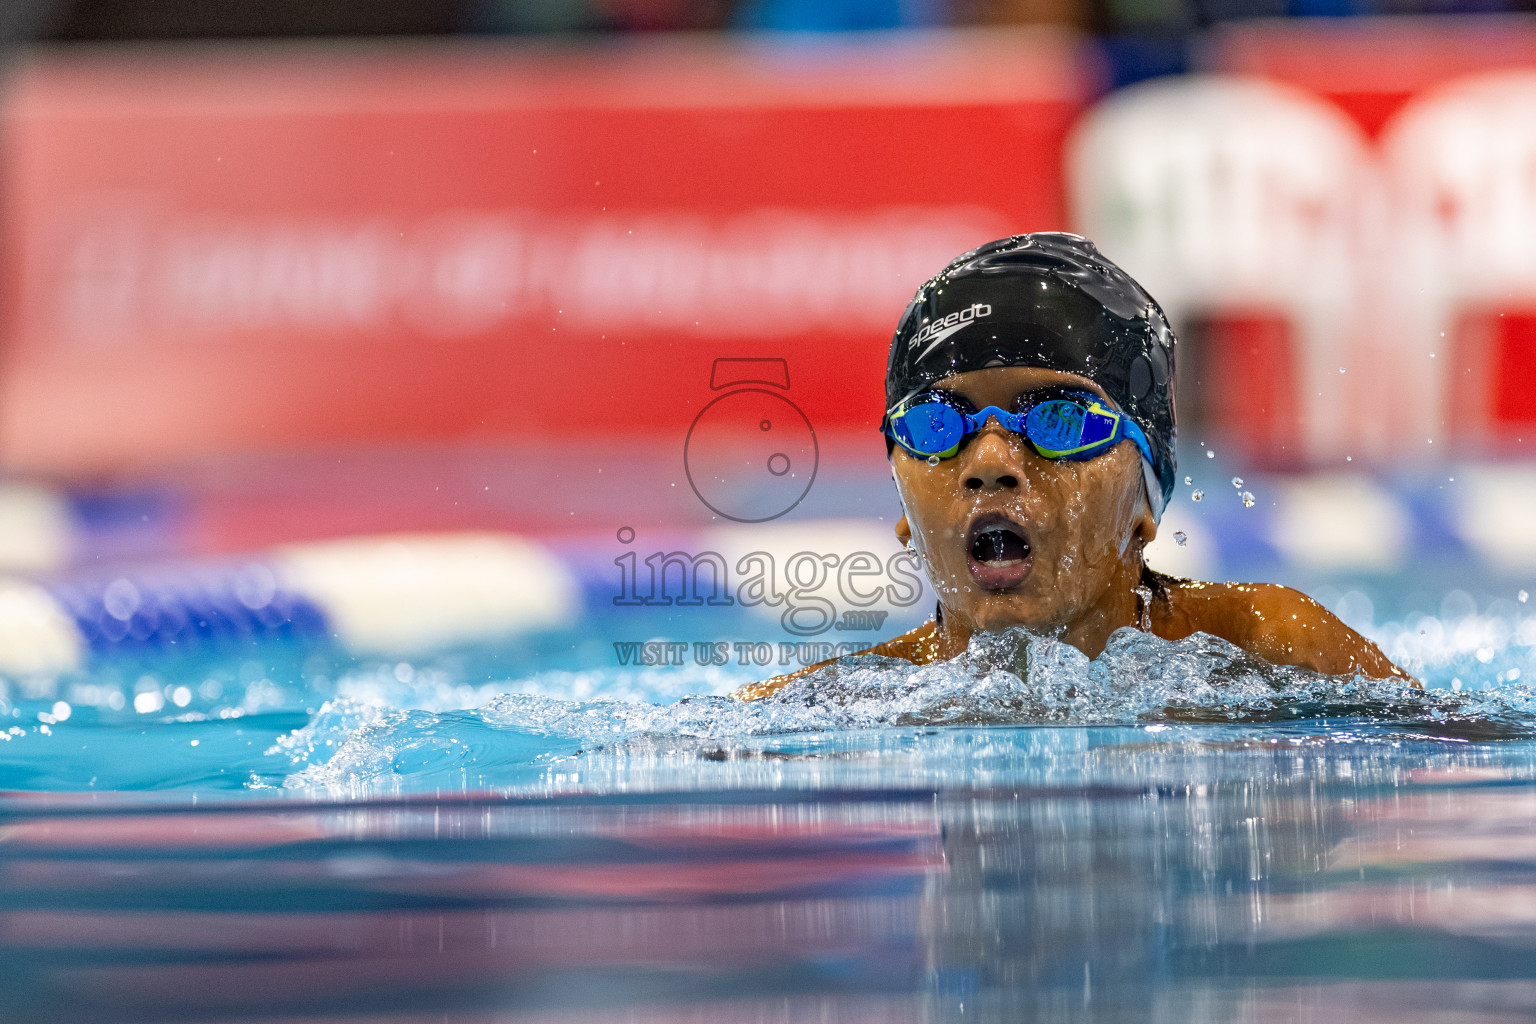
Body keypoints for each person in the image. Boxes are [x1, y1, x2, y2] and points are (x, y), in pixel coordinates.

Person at [734, 233, 1409, 701]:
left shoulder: (1269, 647)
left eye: (1058, 422)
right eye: (937, 425)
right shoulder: (834, 706)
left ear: (1145, 501)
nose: (990, 464)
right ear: (902, 512)